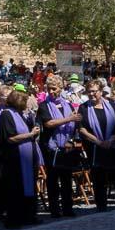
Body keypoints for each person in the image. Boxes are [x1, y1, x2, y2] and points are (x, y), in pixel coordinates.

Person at [78, 79, 115, 211]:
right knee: (99, 178)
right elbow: (82, 129)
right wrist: (99, 142)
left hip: (112, 146)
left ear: (101, 92)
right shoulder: (83, 108)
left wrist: (110, 141)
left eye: (94, 91)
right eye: (89, 92)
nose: (91, 94)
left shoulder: (111, 104)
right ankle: (101, 206)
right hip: (95, 147)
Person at [0, 89, 40, 229]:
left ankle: (28, 215)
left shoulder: (20, 114)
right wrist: (30, 134)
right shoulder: (6, 115)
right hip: (14, 159)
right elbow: (10, 137)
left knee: (27, 186)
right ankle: (15, 218)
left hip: (25, 157)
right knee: (15, 189)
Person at [38, 75, 82, 218]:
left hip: (66, 147)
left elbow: (74, 125)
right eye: (49, 89)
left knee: (66, 180)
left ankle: (68, 208)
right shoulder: (44, 106)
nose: (51, 92)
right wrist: (69, 118)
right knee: (53, 180)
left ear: (60, 89)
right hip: (52, 148)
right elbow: (48, 123)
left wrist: (71, 139)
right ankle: (55, 209)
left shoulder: (67, 104)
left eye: (54, 89)